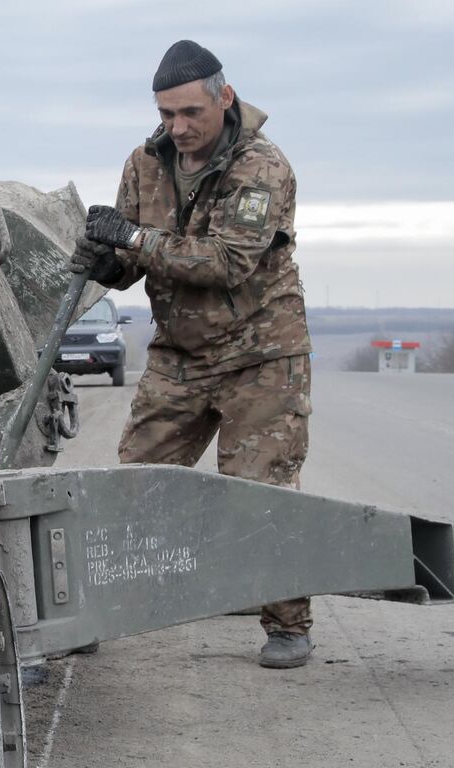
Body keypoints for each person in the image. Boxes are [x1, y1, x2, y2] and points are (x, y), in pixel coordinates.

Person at [69, 40, 315, 669]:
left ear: (223, 98)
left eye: (189, 113)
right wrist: (110, 261)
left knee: (262, 494)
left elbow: (229, 263)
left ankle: (287, 623)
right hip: (179, 354)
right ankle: (90, 613)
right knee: (129, 488)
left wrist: (132, 239)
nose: (176, 128)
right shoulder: (143, 163)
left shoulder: (262, 167)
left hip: (260, 355)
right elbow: (133, 255)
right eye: (165, 114)